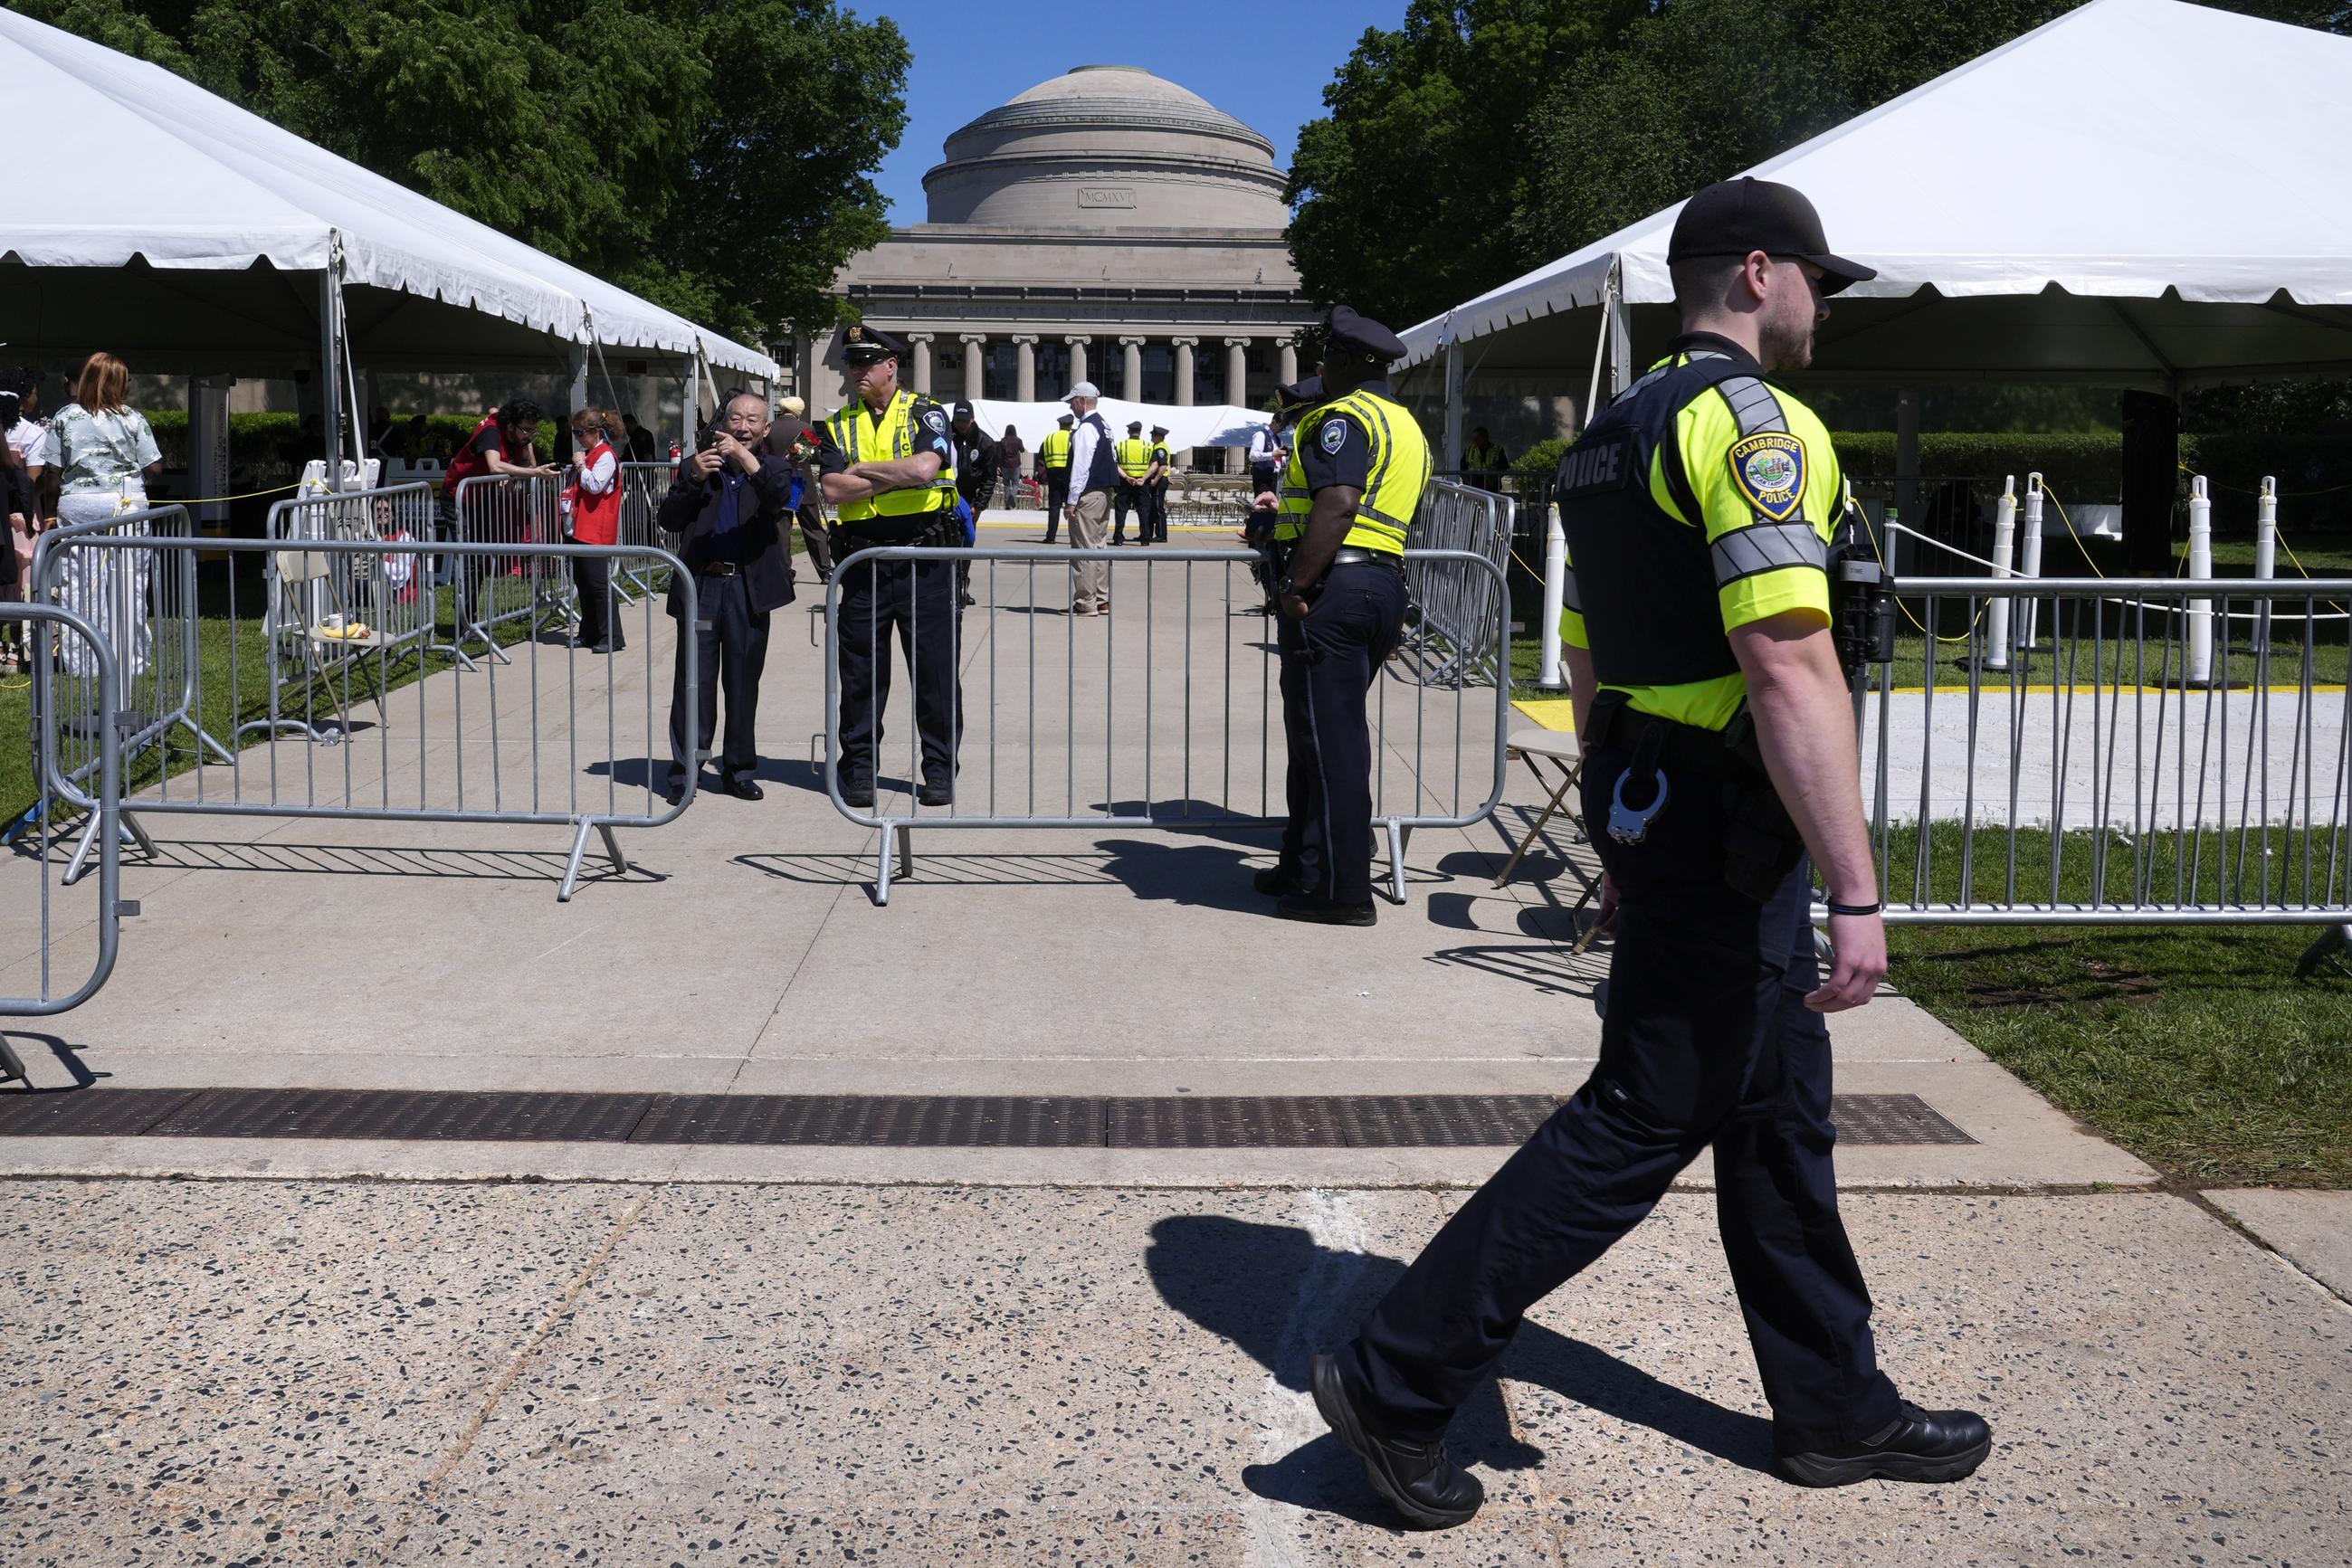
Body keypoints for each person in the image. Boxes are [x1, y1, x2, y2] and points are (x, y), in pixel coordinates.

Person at [1308, 178, 1991, 1532]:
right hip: (1730, 825)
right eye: (1815, 282)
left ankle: (1832, 1407)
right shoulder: (1750, 423)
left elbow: (1590, 652)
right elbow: (1787, 659)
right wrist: (1855, 887)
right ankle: (1396, 1379)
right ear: (1754, 270)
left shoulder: (1609, 434)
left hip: (1664, 804)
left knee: (1776, 1114)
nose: (1819, 308)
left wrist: (1612, 820)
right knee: (1638, 1116)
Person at [1249, 312, 1424, 927]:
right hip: (1379, 583)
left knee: (1332, 745)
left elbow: (1340, 500)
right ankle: (1302, 862)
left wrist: (1295, 585)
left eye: (1327, 358)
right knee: (1317, 738)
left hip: (1334, 587)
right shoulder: (1405, 424)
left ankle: (1342, 889)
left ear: (1348, 360)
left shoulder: (1342, 417)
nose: (1321, 370)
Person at [816, 325, 964, 808]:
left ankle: (939, 770)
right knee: (860, 675)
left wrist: (863, 474)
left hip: (924, 558)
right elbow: (834, 490)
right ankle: (859, 770)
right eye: (850, 363)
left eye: (864, 363)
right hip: (863, 560)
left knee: (934, 673)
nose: (855, 371)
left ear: (890, 366)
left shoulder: (926, 411)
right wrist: (889, 477)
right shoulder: (838, 423)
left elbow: (926, 469)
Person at [657, 391, 795, 804]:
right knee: (693, 683)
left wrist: (747, 461)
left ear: (766, 429)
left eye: (753, 421)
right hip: (704, 587)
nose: (743, 428)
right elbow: (667, 519)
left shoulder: (774, 467)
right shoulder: (698, 467)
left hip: (748, 591)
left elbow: (780, 498)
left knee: (742, 683)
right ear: (724, 423)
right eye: (737, 419)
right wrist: (695, 478)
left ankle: (738, 769)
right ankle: (686, 771)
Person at [48, 353, 165, 679]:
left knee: (80, 585)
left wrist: (47, 511)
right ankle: (130, 660)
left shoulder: (65, 416)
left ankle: (83, 664)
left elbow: (52, 472)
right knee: (129, 581)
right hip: (126, 503)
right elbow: (153, 466)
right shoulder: (133, 418)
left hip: (79, 503)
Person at [562, 408, 626, 655]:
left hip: (596, 529)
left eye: (580, 432)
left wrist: (579, 465)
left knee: (598, 585)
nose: (577, 437)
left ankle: (612, 636)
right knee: (583, 583)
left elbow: (595, 486)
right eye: (574, 432)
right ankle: (588, 633)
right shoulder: (590, 453)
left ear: (595, 432)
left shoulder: (606, 455)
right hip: (578, 527)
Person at [1060, 383, 1117, 616]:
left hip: (1088, 494)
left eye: (1072, 401)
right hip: (1104, 494)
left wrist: (1072, 499)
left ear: (1082, 401)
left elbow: (1081, 466)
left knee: (1083, 549)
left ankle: (1085, 602)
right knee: (1099, 546)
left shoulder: (1085, 428)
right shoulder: (1105, 425)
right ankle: (1102, 600)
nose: (1070, 406)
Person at [770, 395, 833, 584]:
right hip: (802, 484)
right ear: (799, 411)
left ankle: (784, 572)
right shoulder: (806, 428)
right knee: (813, 528)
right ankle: (825, 571)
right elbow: (813, 457)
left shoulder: (770, 427)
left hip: (778, 484)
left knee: (781, 530)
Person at [948, 401, 998, 610]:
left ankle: (961, 586)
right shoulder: (945, 436)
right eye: (958, 420)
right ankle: (945, 588)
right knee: (944, 545)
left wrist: (979, 506)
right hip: (945, 497)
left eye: (965, 421)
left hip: (968, 501)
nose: (961, 424)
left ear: (972, 419)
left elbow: (989, 479)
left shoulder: (985, 443)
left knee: (965, 544)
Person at [1111, 420, 1152, 545]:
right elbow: (1153, 465)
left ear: (1129, 431)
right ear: (1140, 431)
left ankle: (1118, 538)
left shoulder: (1120, 445)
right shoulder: (1148, 446)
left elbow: (1115, 465)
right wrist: (1144, 478)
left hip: (1125, 482)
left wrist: (1126, 478)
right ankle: (1145, 538)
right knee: (1143, 511)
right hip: (1142, 482)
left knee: (1121, 511)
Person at [1039, 413, 1074, 544]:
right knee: (1072, 506)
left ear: (1060, 425)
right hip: (1070, 474)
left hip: (1053, 473)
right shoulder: (1073, 437)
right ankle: (1074, 537)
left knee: (1054, 506)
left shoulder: (1049, 437)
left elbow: (1041, 456)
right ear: (1071, 425)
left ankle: (1051, 536)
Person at [1139, 424, 1174, 545]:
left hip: (1159, 481)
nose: (1151, 436)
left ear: (1159, 436)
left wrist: (1156, 479)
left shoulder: (1160, 448)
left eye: (1153, 435)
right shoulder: (1158, 446)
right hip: (1159, 480)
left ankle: (1161, 535)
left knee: (1158, 508)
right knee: (1154, 507)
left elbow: (1163, 465)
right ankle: (1149, 534)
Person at [1462, 426, 1509, 492]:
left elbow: (1504, 468)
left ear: (1485, 438)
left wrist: (1494, 478)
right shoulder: (1469, 450)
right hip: (1473, 487)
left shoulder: (1497, 450)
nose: (1474, 441)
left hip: (1492, 487)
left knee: (1491, 502)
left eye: (1477, 439)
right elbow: (1461, 469)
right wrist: (1468, 482)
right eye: (1473, 439)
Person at [997, 423, 1025, 511]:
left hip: (1005, 465)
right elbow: (1022, 450)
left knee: (1006, 484)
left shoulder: (1003, 441)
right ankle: (1012, 499)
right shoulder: (1018, 440)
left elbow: (1000, 455)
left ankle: (1007, 503)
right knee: (1015, 483)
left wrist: (999, 465)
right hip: (1015, 465)